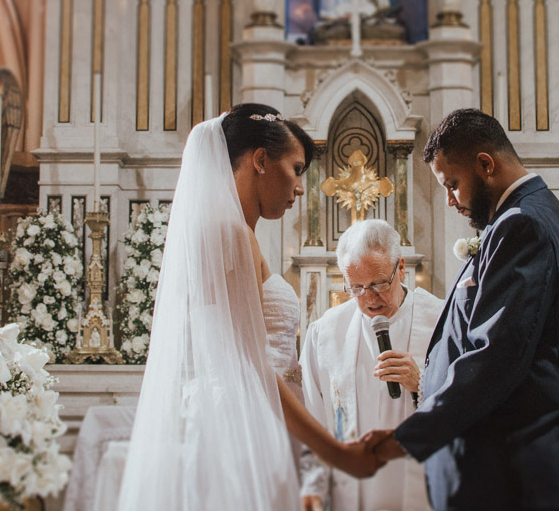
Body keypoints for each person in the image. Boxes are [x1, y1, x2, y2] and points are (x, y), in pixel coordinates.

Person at [118, 104, 380, 510]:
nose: (299, 188)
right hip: (242, 424)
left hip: (256, 416)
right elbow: (253, 363)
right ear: (260, 160)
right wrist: (335, 452)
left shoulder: (232, 232)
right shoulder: (229, 234)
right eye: (295, 169)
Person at [366, 109, 559, 511]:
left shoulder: (523, 224)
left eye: (452, 184)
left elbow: (495, 356)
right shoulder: (519, 218)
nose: (449, 201)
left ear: (485, 164)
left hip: (514, 469)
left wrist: (404, 439)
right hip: (505, 465)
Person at [300, 219, 441, 511]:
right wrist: (312, 488)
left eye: (378, 284)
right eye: (356, 288)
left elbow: (471, 401)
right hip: (351, 494)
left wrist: (423, 382)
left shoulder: (441, 320)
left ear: (400, 268)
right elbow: (313, 418)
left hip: (422, 488)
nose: (369, 299)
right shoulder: (325, 333)